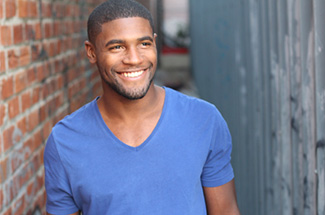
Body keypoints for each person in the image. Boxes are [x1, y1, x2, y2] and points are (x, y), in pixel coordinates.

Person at [44, 0, 241, 214]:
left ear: (155, 43)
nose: (134, 59)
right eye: (117, 47)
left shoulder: (204, 120)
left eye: (144, 44)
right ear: (91, 52)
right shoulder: (65, 141)